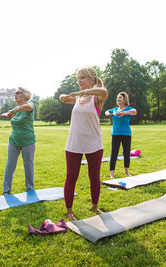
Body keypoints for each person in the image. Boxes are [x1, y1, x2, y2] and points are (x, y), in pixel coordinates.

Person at [59, 67, 108, 220]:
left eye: (82, 78)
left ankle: (94, 206)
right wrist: (71, 95)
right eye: (78, 78)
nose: (79, 81)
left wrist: (83, 92)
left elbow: (104, 91)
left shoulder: (97, 98)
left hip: (94, 142)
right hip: (74, 143)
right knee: (71, 176)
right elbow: (61, 97)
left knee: (94, 176)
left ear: (92, 79)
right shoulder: (77, 99)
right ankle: (69, 211)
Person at [1, 87, 36, 195]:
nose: (14, 95)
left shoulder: (30, 106)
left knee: (28, 165)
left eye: (17, 93)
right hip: (13, 141)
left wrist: (12, 111)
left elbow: (28, 107)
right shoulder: (17, 109)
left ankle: (30, 189)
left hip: (28, 141)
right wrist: (8, 115)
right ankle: (6, 191)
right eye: (14, 93)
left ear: (24, 95)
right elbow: (13, 118)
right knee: (9, 166)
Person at [105, 92, 137, 178]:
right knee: (114, 153)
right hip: (115, 134)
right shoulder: (115, 109)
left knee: (126, 153)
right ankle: (112, 174)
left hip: (126, 134)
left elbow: (134, 112)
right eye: (117, 98)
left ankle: (127, 172)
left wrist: (124, 113)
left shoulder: (128, 109)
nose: (118, 99)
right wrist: (109, 114)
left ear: (124, 99)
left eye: (120, 98)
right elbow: (106, 111)